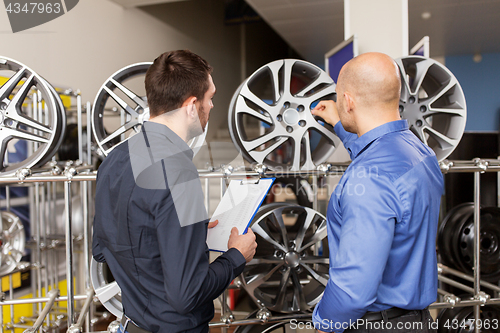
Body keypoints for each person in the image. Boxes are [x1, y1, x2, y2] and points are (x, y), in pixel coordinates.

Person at [92, 50, 257, 333]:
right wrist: (236, 256)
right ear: (192, 105)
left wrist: (183, 233)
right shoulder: (179, 173)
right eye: (210, 97)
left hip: (131, 325)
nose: (212, 105)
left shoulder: (113, 160)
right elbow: (186, 295)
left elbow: (101, 249)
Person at [310, 52, 443, 333]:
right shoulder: (421, 152)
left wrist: (323, 325)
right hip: (417, 322)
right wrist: (340, 125)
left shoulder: (368, 177)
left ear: (348, 101)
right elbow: (380, 155)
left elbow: (353, 292)